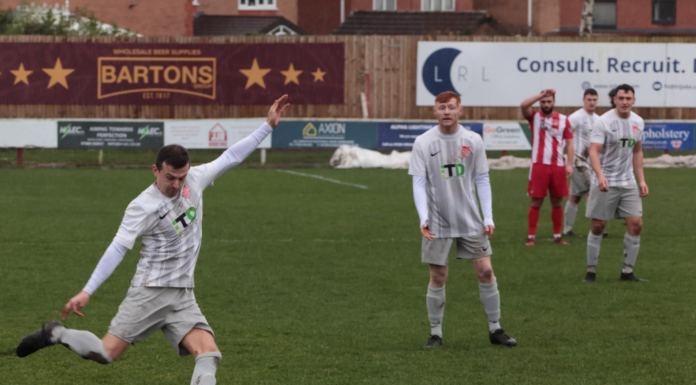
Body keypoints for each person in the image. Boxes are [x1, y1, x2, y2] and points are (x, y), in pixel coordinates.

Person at [16, 95, 291, 384]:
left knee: (209, 355)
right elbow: (118, 248)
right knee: (105, 353)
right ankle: (57, 334)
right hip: (151, 291)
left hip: (183, 293)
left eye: (181, 178)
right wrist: (87, 290)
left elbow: (231, 156)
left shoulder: (195, 179)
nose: (176, 184)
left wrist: (268, 126)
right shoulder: (142, 206)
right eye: (170, 177)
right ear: (155, 170)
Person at [409, 91, 516, 348]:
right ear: (434, 111)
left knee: (486, 271)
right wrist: (423, 218)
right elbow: (418, 182)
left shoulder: (473, 140)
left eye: (451, 107)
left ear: (460, 111)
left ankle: (495, 329)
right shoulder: (423, 142)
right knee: (438, 277)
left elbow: (482, 178)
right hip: (437, 222)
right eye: (442, 107)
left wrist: (488, 216)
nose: (447, 112)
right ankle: (436, 333)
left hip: (471, 220)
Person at [584, 84, 648, 282]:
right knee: (598, 226)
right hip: (605, 181)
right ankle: (591, 271)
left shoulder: (638, 122)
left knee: (636, 224)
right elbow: (593, 151)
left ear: (634, 100)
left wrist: (642, 180)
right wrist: (600, 175)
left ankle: (627, 272)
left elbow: (637, 151)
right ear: (614, 100)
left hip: (627, 181)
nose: (625, 102)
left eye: (628, 98)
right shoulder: (603, 121)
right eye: (621, 98)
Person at [520, 89, 575, 246]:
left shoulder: (564, 120)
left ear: (554, 103)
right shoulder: (535, 117)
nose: (546, 104)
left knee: (557, 202)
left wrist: (569, 164)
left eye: (549, 101)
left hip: (558, 166)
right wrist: (540, 95)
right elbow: (523, 105)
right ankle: (531, 237)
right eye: (543, 102)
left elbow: (570, 143)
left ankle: (557, 236)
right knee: (536, 201)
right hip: (539, 166)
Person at [563, 89, 599, 237]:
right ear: (583, 100)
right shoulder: (575, 117)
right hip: (578, 162)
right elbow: (565, 136)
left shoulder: (598, 119)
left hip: (590, 163)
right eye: (589, 99)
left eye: (594, 100)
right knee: (594, 191)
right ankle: (596, 227)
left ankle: (566, 229)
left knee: (575, 197)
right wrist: (568, 161)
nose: (592, 102)